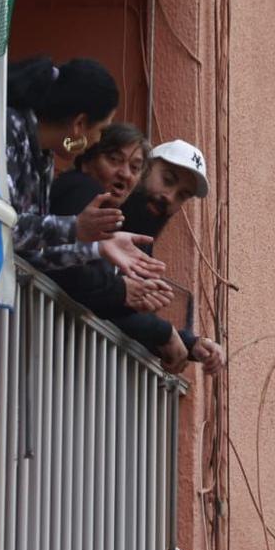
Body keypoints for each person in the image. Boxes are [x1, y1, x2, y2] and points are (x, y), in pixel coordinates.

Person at [49, 137, 225, 374]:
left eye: (182, 195)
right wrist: (162, 332)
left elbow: (120, 315)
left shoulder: (139, 246)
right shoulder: (91, 201)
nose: (170, 197)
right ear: (143, 169)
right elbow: (75, 284)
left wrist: (189, 344)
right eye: (168, 180)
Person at [5, 57, 162, 281]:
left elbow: (29, 251)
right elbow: (2, 226)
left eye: (136, 167)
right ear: (80, 124)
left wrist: (98, 248)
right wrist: (74, 227)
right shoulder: (9, 130)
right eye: (100, 130)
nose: (97, 141)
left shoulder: (44, 156)